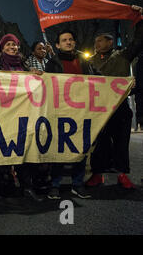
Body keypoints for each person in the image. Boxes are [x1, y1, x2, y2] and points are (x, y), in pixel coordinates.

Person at [87, 6, 143, 189]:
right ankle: (98, 174)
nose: (97, 43)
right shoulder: (90, 62)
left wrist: (140, 20)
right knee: (100, 144)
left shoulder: (122, 56)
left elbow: (138, 41)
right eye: (96, 41)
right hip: (99, 108)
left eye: (100, 40)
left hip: (119, 107)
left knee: (121, 142)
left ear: (110, 43)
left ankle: (122, 175)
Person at [0, 34, 43, 207]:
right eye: (9, 44)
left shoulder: (25, 66)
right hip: (2, 116)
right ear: (2, 48)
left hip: (22, 116)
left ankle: (27, 188)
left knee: (21, 152)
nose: (13, 47)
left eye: (15, 45)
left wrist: (36, 76)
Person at [45, 29, 96, 200]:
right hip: (60, 112)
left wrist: (123, 82)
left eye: (71, 39)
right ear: (58, 45)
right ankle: (55, 185)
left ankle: (78, 184)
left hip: (81, 111)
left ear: (74, 43)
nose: (68, 42)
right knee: (59, 149)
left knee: (80, 149)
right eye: (64, 40)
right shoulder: (52, 63)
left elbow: (99, 80)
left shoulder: (84, 62)